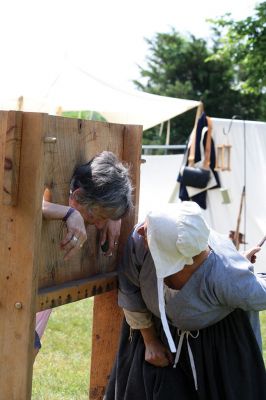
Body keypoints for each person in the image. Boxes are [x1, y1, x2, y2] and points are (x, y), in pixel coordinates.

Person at [104, 201, 266, 400]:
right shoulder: (140, 242)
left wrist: (240, 270)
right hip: (154, 338)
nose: (140, 232)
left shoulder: (227, 277)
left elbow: (261, 294)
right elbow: (129, 286)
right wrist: (150, 340)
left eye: (148, 231)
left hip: (215, 350)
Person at [34, 150, 133, 358]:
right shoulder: (50, 188)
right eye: (96, 215)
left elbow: (107, 155)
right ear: (77, 196)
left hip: (38, 295)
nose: (97, 225)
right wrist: (68, 213)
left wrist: (114, 217)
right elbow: (25, 206)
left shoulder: (92, 199)